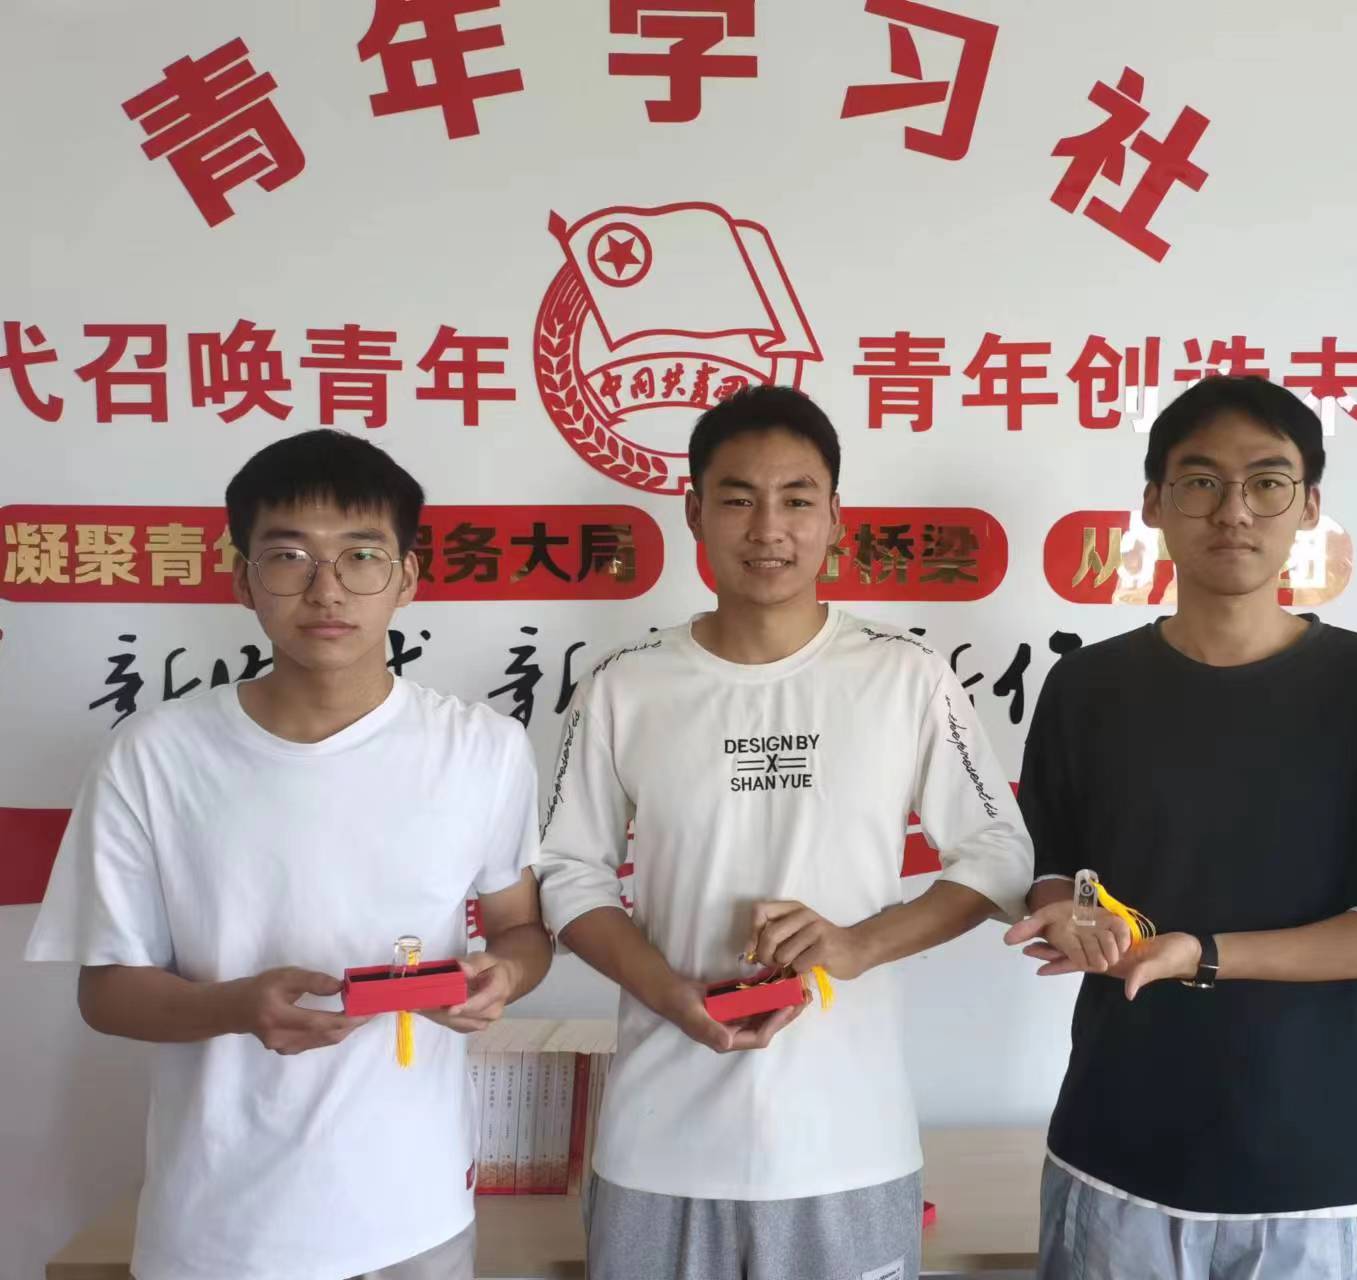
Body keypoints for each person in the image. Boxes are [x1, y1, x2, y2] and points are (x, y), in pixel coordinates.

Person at [26, 429, 552, 1280]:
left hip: (417, 1216)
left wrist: (504, 976)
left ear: (408, 577)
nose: (326, 588)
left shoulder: (483, 749)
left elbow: (521, 930)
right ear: (243, 580)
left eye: (361, 556)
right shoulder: (153, 756)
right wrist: (237, 1007)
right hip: (218, 1229)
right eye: (289, 557)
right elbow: (107, 992)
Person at [536, 385, 1034, 1280]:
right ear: (694, 511)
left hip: (849, 1144)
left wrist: (858, 943)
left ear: (836, 516)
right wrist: (668, 991)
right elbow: (568, 874)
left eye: (797, 499)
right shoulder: (625, 683)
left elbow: (999, 853)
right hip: (659, 1147)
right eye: (737, 499)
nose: (768, 528)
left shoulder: (904, 674)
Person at [1005, 376, 1357, 1280]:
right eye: (1200, 482)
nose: (1234, 511)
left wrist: (1205, 955)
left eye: (1267, 482)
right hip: (1111, 1152)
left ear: (1309, 506)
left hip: (1305, 1169)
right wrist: (1062, 910)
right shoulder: (1089, 687)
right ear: (1154, 502)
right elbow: (1047, 860)